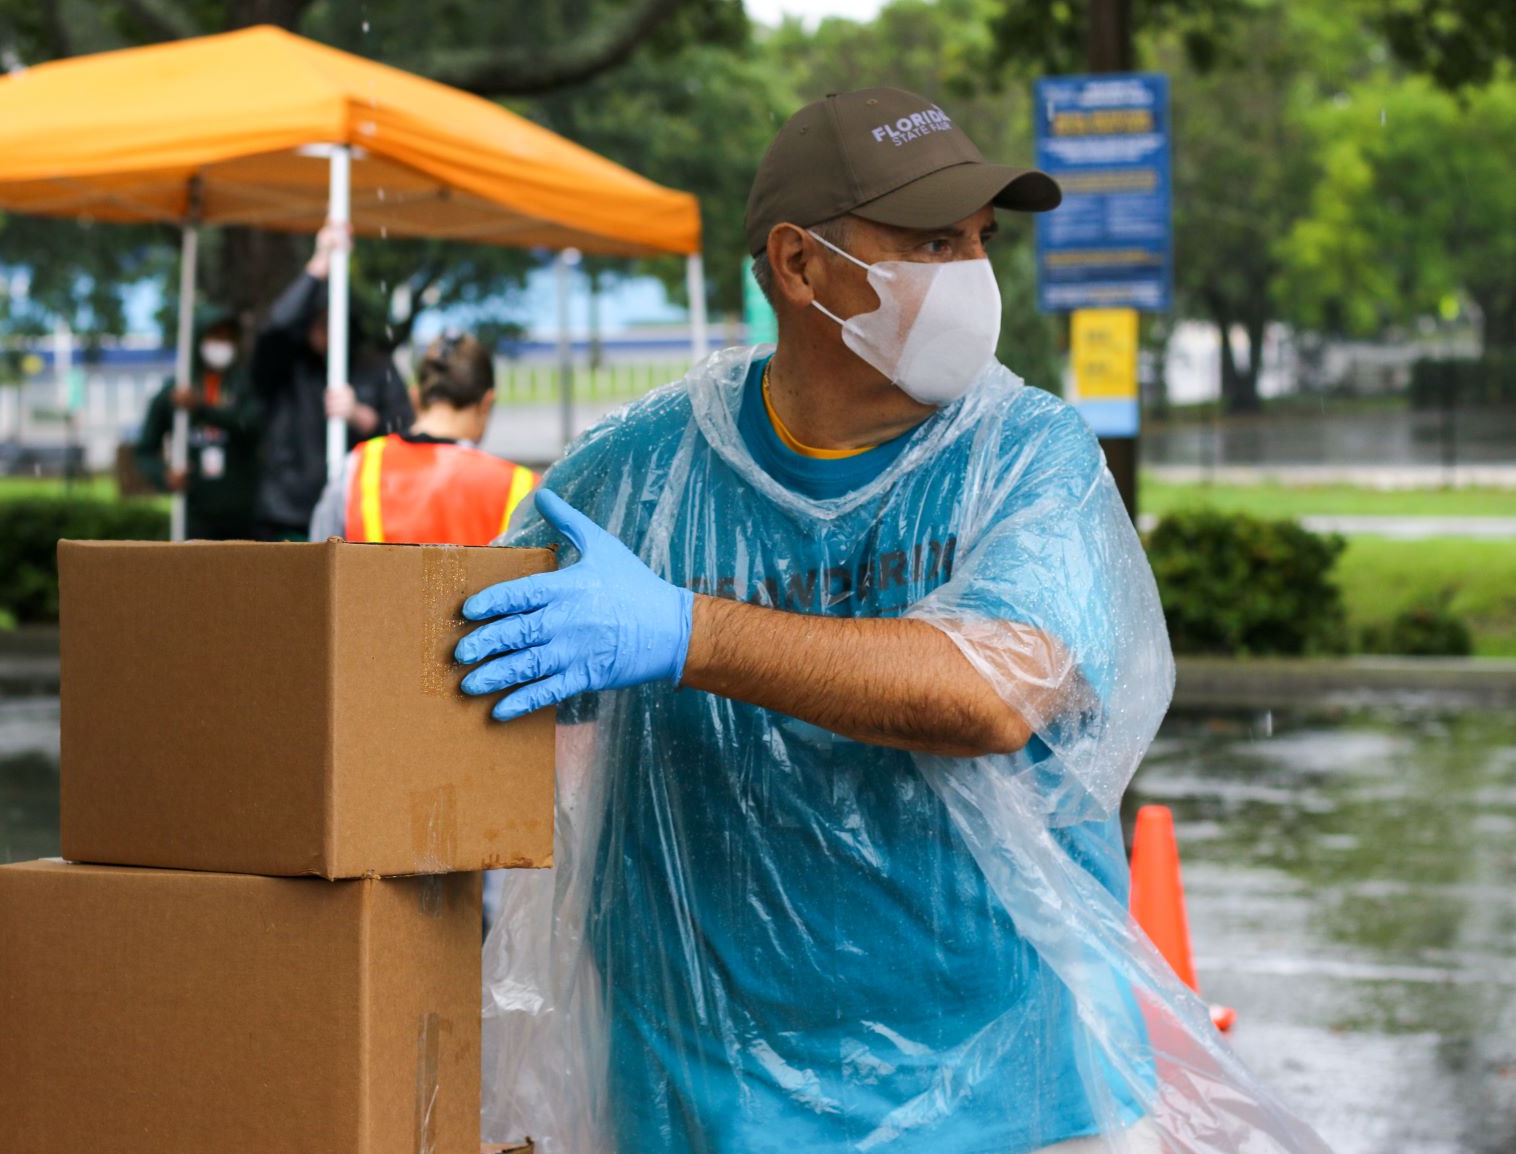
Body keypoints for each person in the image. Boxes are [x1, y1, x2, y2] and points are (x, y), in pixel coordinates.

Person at [463, 90, 1334, 1154]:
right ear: (798, 265)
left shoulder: (1027, 454)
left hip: (1007, 1104)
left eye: (979, 240)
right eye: (930, 240)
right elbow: (444, 708)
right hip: (699, 1103)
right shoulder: (633, 479)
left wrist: (686, 631)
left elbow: (994, 690)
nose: (972, 273)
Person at [250, 222, 413, 540]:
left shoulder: (375, 368)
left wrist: (363, 418)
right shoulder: (287, 366)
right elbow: (275, 329)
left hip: (357, 512)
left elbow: (404, 431)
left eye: (331, 318)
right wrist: (318, 266)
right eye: (316, 318)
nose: (323, 328)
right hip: (287, 514)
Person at [307, 333, 536, 545]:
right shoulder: (521, 489)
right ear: (487, 402)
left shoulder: (358, 469)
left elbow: (319, 567)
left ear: (415, 397)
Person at [135, 310, 261, 540]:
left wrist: (203, 409)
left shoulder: (245, 386)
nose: (221, 344)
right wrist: (164, 476)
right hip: (193, 511)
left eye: (227, 338)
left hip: (244, 514)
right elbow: (145, 449)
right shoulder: (176, 389)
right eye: (214, 336)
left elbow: (253, 427)